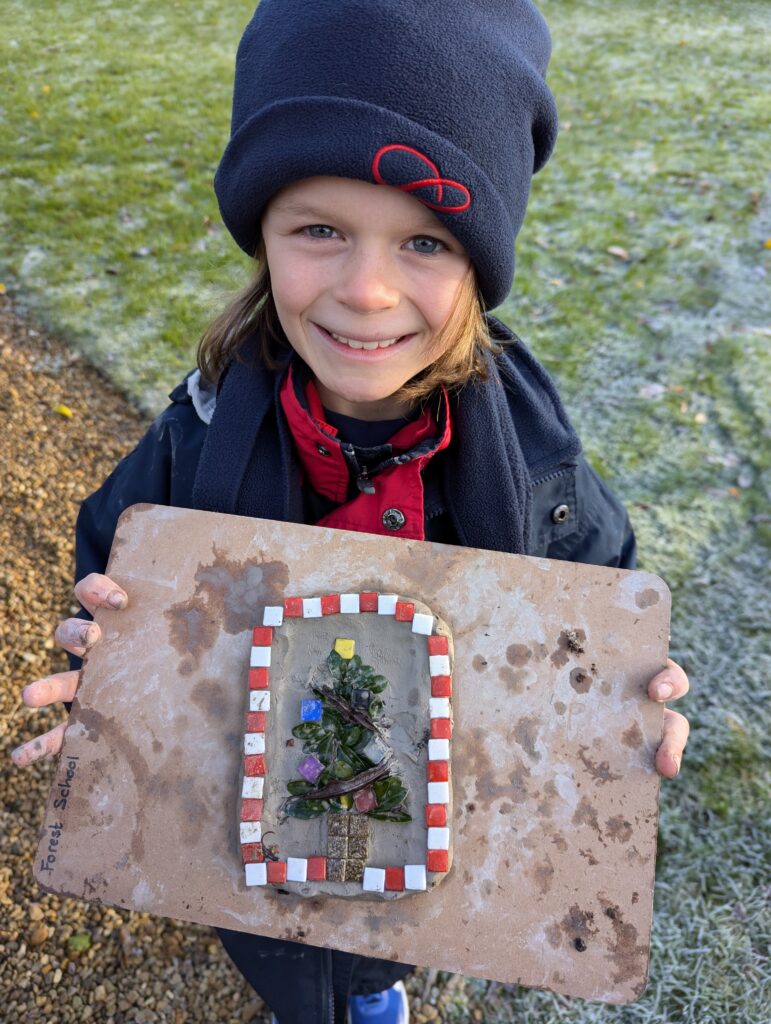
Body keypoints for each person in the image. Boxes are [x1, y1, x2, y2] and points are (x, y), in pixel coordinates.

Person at [11, 2, 691, 1022]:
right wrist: (116, 656)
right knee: (284, 957)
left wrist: (632, 697)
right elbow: (114, 550)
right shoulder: (199, 433)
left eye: (424, 240)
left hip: (428, 822)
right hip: (251, 829)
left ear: (481, 257)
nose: (366, 290)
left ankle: (375, 995)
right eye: (321, 229)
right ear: (263, 235)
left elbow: (598, 590)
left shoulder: (538, 456)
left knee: (374, 965)